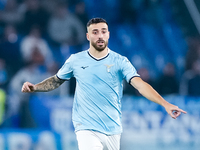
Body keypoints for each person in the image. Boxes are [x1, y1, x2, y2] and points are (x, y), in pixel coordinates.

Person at [21, 18, 187, 150]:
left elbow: (140, 85)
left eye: (103, 31)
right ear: (88, 36)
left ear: (108, 35)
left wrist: (164, 103)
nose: (100, 35)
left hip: (112, 127)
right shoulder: (75, 60)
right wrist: (35, 87)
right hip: (85, 126)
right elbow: (56, 81)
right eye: (95, 32)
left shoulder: (121, 61)